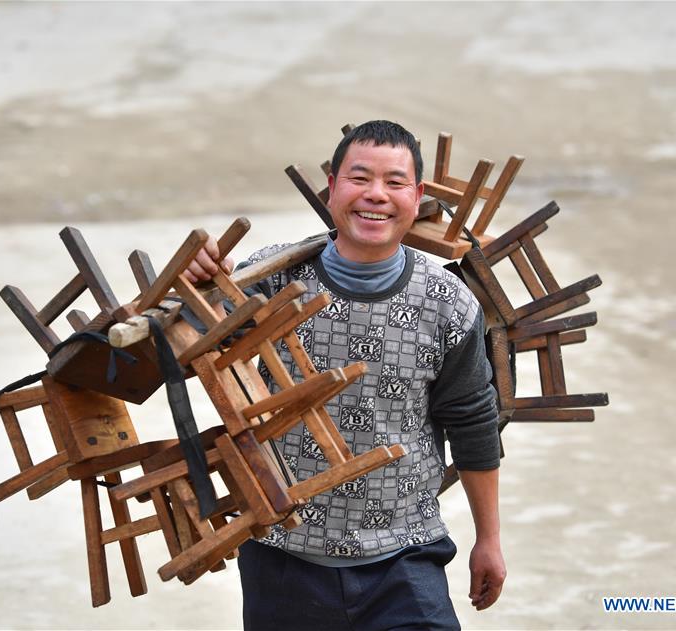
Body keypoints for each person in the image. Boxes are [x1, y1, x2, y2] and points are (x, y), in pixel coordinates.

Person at [184, 120, 504, 630]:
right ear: (332, 187)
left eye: (395, 182)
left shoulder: (448, 303)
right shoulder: (266, 282)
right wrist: (194, 282)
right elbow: (168, 348)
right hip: (283, 559)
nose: (376, 195)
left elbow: (471, 421)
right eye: (360, 178)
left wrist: (489, 540)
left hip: (405, 556)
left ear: (417, 197)